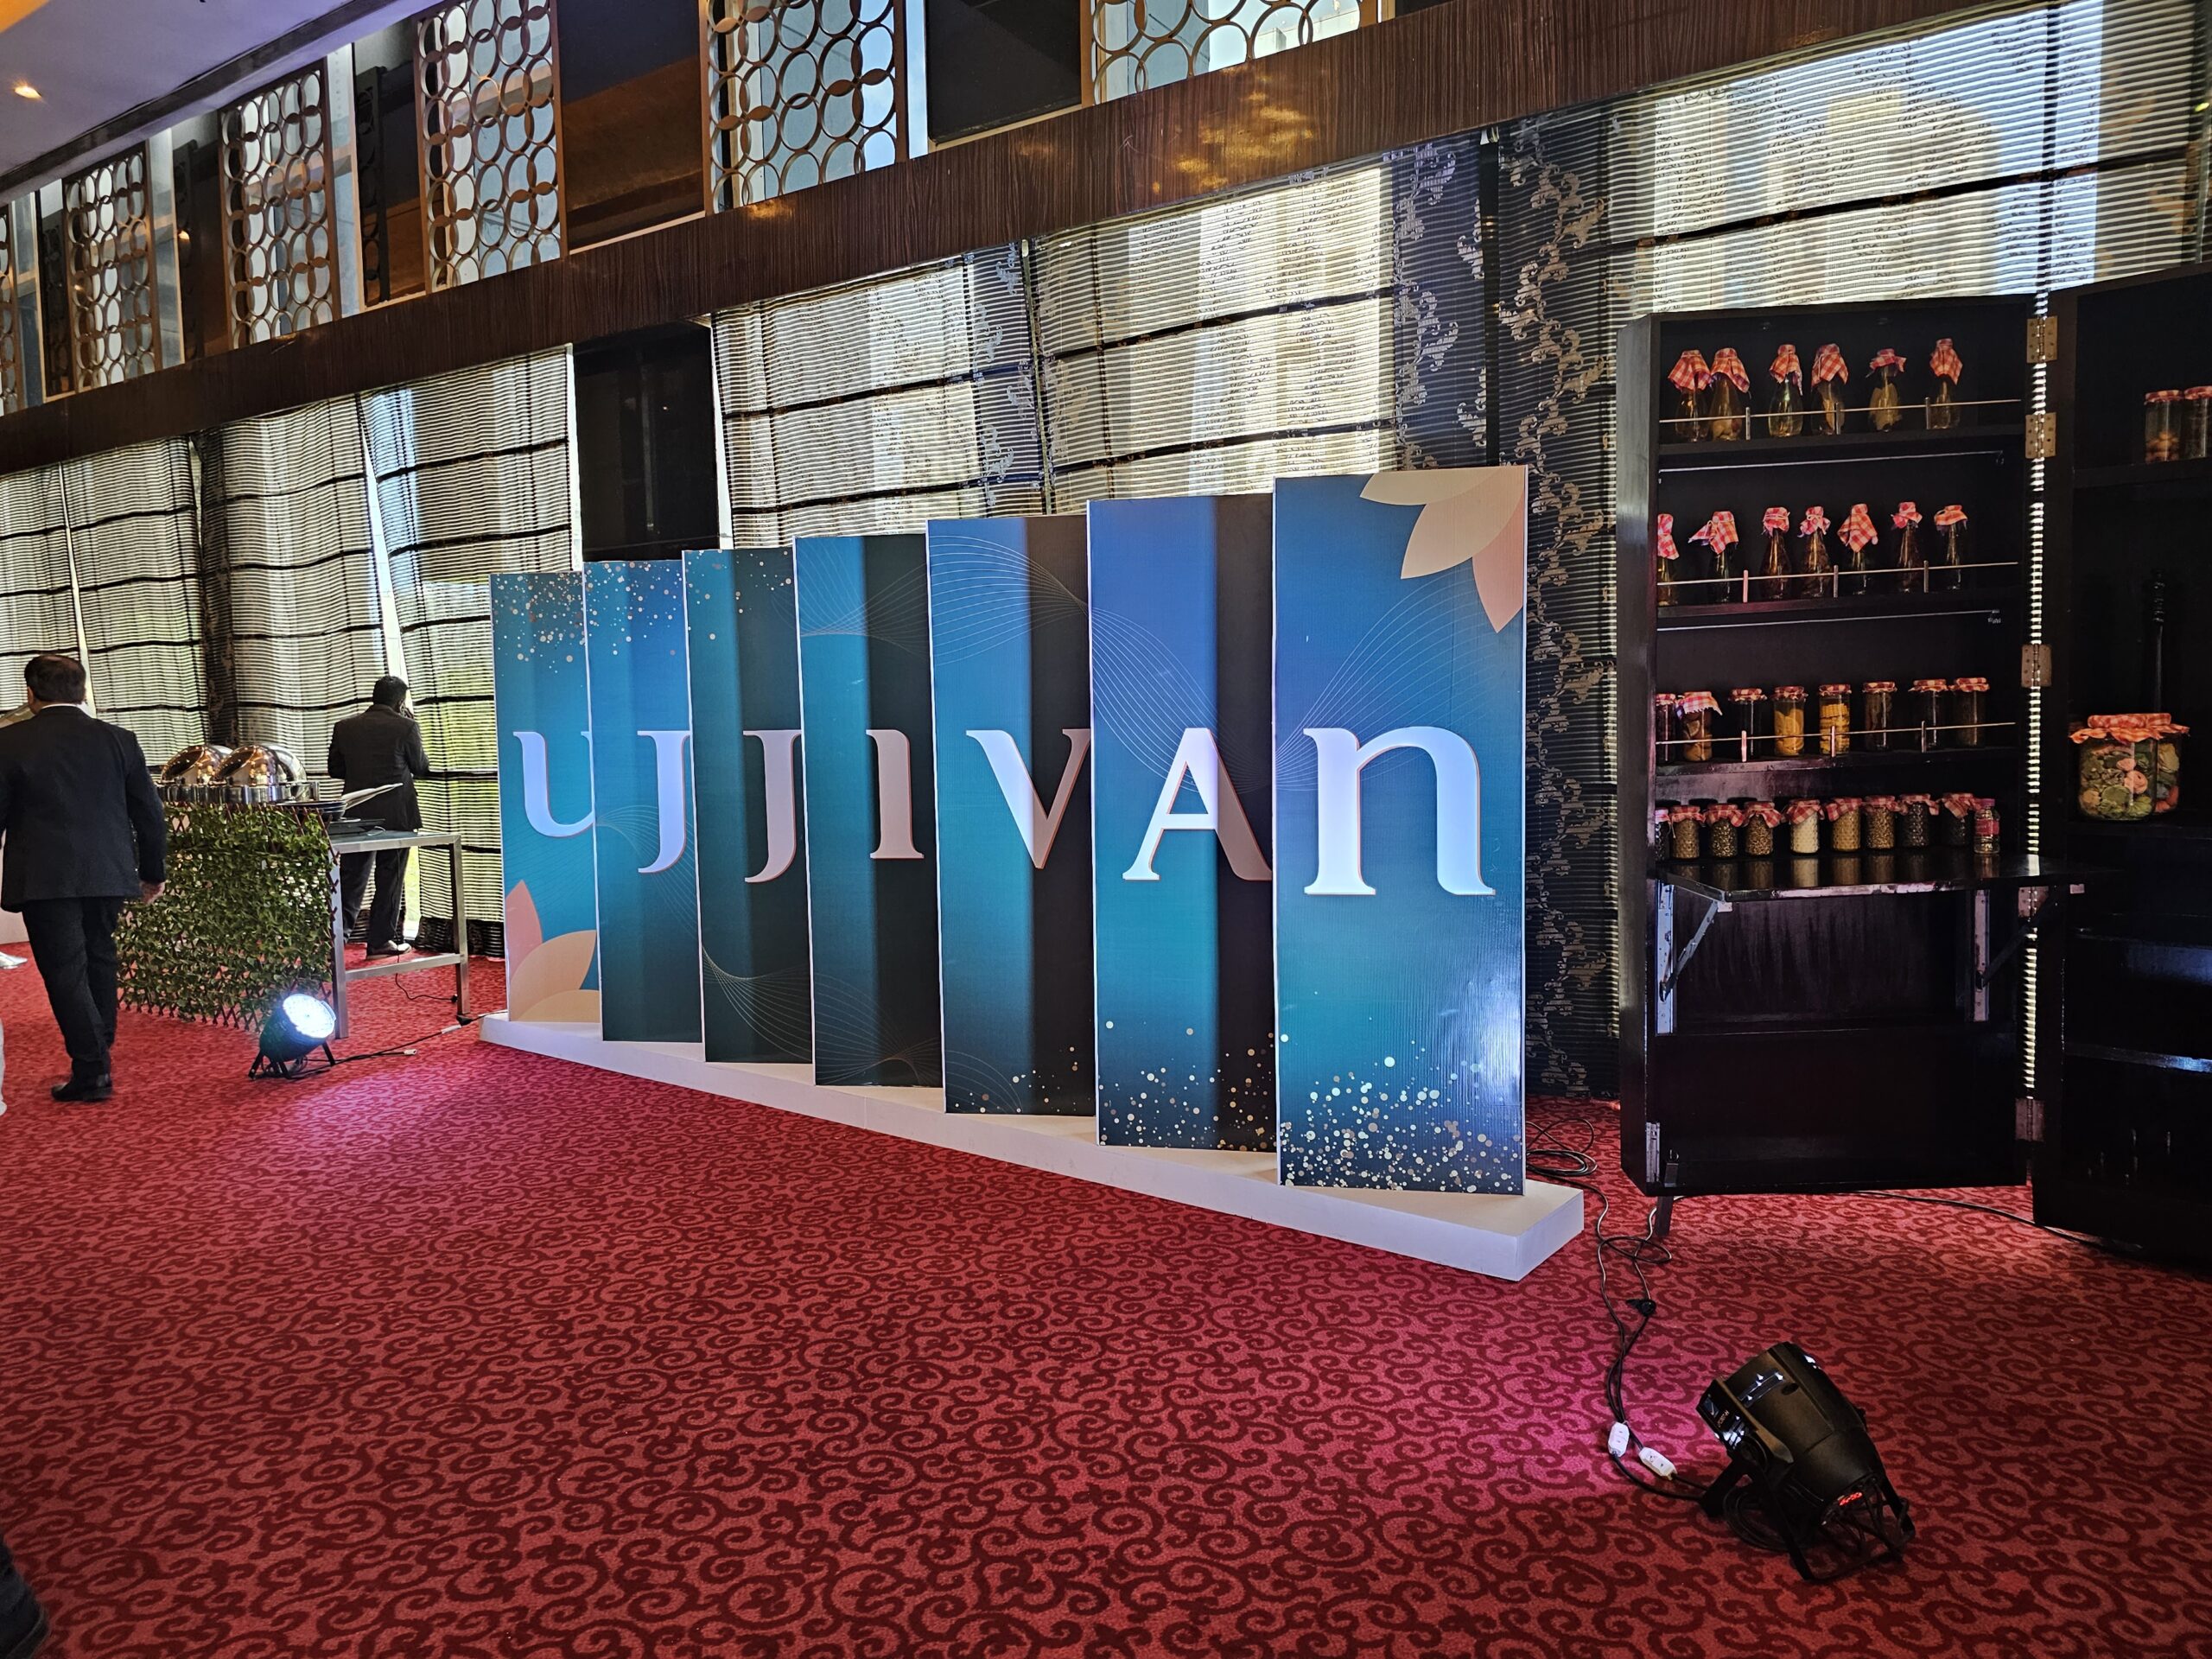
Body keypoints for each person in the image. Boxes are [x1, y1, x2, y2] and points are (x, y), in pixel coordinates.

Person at [0, 653, 168, 1104]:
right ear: (82, 691)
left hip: (44, 878)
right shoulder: (119, 739)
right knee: (100, 958)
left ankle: (92, 1067)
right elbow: (150, 815)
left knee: (64, 971)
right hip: (109, 872)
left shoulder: (9, 742)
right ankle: (99, 1044)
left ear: (31, 693)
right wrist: (153, 873)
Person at [327, 675, 431, 960]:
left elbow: (335, 769)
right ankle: (380, 941)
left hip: (357, 814)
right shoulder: (406, 726)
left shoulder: (345, 726)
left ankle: (335, 943)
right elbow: (421, 767)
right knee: (390, 879)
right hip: (398, 816)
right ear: (400, 702)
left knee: (351, 880)